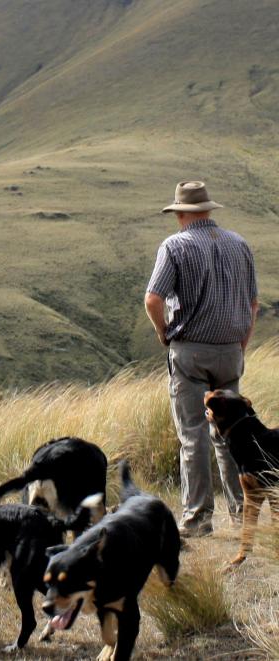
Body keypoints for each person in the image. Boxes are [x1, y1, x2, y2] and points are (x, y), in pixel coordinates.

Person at [145, 181, 258, 537]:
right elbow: (252, 303)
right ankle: (242, 513)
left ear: (180, 213)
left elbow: (153, 299)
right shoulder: (239, 244)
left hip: (190, 350)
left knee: (193, 435)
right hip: (230, 351)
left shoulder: (175, 245)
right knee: (232, 434)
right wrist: (241, 343)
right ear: (208, 210)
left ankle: (197, 519)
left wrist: (163, 333)